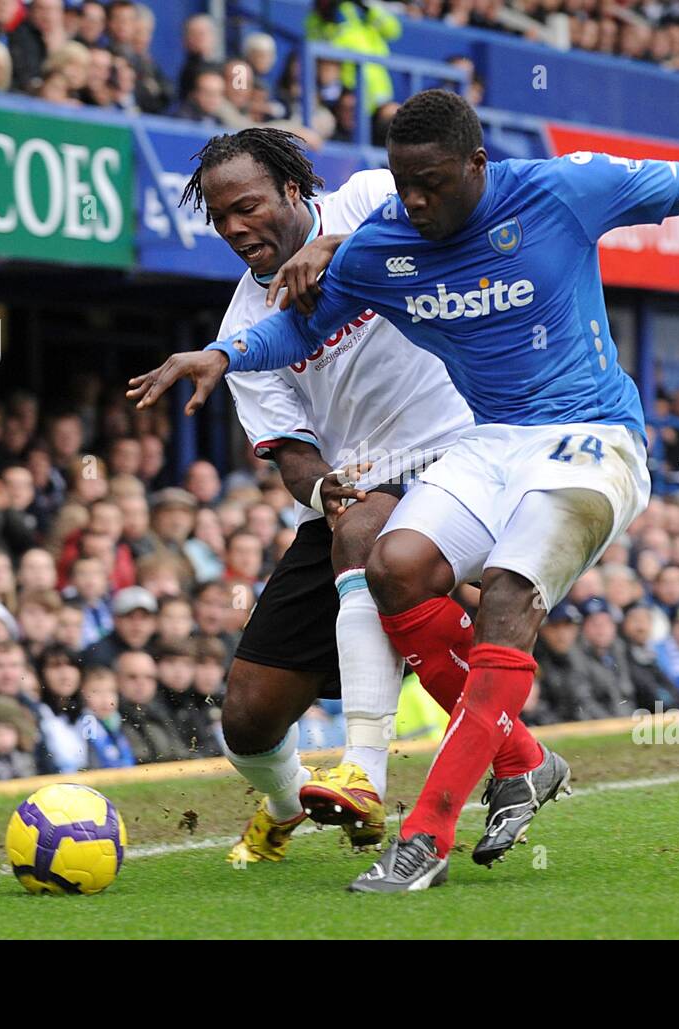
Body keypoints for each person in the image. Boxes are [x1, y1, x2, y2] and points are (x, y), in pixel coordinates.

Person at [129, 89, 679, 892]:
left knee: (508, 595)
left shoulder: (561, 191)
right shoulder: (386, 241)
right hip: (486, 442)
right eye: (403, 185)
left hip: (591, 438)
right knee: (393, 565)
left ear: (477, 165)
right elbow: (295, 330)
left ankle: (424, 836)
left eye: (431, 184)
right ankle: (519, 760)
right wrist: (223, 357)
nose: (414, 202)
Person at [151, 127, 551, 865]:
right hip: (358, 486)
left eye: (247, 206)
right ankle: (283, 805)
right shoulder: (244, 326)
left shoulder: (369, 196)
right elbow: (293, 453)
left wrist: (331, 248)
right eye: (220, 219)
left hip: (467, 450)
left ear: (294, 192)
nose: (236, 229)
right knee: (246, 714)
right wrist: (321, 488)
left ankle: (365, 769)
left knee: (370, 531)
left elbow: (442, 221)